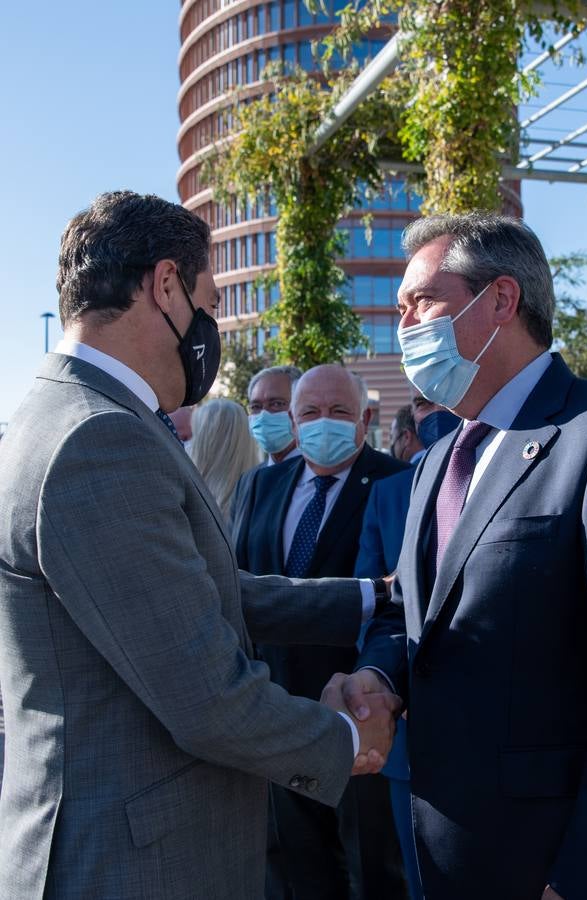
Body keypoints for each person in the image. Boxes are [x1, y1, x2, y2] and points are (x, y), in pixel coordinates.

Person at [0, 191, 399, 899]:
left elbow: (196, 592)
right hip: (134, 864)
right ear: (163, 285)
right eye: (208, 301)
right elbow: (206, 698)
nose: (210, 325)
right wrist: (347, 738)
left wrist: (372, 597)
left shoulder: (71, 411)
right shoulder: (100, 437)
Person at [338, 212, 587, 900]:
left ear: (501, 300)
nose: (404, 324)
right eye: (398, 310)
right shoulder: (436, 459)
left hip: (558, 863)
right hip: (449, 847)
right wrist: (376, 672)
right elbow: (416, 610)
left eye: (421, 301)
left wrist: (585, 877)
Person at [236, 363, 408, 900]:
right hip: (278, 712)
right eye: (309, 412)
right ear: (293, 418)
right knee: (297, 864)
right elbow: (241, 586)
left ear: (364, 418)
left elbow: (402, 600)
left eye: (338, 411)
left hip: (360, 713)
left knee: (373, 866)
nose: (322, 423)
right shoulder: (260, 484)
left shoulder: (397, 484)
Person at [229, 365, 302, 555]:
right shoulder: (248, 480)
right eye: (256, 407)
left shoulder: (319, 479)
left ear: (299, 408)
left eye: (276, 404)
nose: (263, 415)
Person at [188, 398, 262, 522]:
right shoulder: (265, 494)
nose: (188, 444)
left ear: (203, 442)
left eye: (192, 435)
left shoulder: (186, 500)